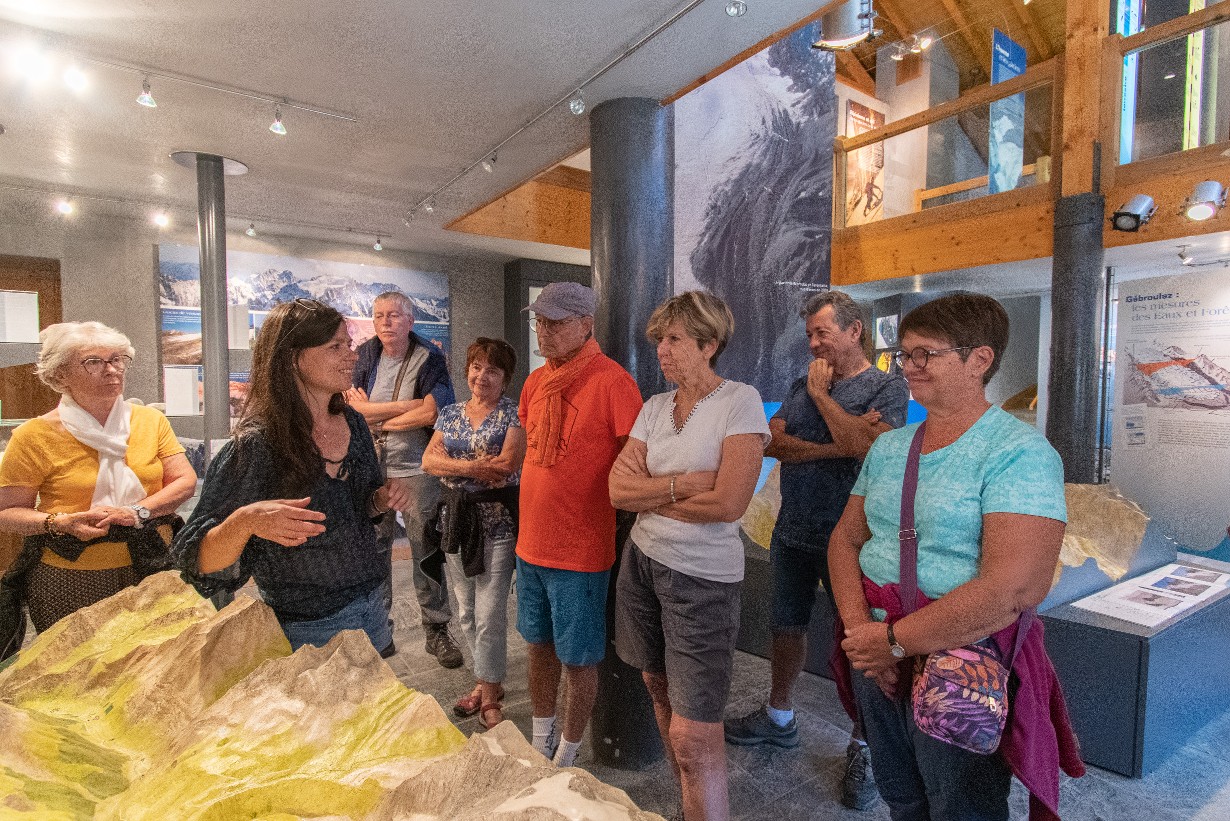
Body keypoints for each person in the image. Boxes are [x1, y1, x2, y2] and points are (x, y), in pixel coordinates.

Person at [828, 293, 1083, 821]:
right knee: (902, 795)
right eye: (905, 354)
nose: (910, 368)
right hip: (877, 648)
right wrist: (863, 637)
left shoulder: (1019, 452)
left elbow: (1011, 590)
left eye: (926, 354)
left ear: (980, 360)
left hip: (963, 659)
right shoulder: (888, 447)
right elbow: (845, 540)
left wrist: (894, 643)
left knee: (962, 805)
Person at [724, 291, 908, 810]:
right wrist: (835, 442)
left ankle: (865, 742)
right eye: (809, 333)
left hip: (852, 538)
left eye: (822, 331)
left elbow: (870, 447)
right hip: (794, 528)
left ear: (855, 331)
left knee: (861, 639)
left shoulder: (887, 387)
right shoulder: (798, 385)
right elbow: (771, 442)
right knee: (785, 625)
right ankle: (779, 716)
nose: (813, 341)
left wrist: (824, 401)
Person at [610, 291, 770, 821]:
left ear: (709, 344)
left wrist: (653, 491)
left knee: (694, 732)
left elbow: (729, 503)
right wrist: (686, 484)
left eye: (674, 339)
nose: (662, 349)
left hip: (702, 578)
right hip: (642, 565)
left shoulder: (739, 401)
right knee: (657, 688)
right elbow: (617, 492)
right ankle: (689, 807)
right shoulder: (655, 407)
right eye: (660, 339)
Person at [172, 299, 410, 653]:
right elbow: (196, 558)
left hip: (373, 605)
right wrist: (245, 521)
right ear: (293, 357)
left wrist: (380, 499)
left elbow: (361, 507)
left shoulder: (354, 423)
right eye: (335, 346)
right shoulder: (259, 445)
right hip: (306, 626)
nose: (352, 355)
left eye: (349, 344)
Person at [0, 322, 197, 658]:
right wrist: (58, 522)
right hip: (70, 575)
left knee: (158, 665)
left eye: (118, 359)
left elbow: (184, 481)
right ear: (60, 374)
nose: (112, 370)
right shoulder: (33, 436)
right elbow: (6, 514)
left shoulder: (149, 421)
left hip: (153, 564)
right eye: (94, 362)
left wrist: (137, 511)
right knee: (78, 669)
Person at [516, 281, 643, 767]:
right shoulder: (534, 381)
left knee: (580, 658)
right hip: (532, 545)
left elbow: (636, 460)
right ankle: (540, 737)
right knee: (537, 646)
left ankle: (568, 752)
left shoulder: (613, 382)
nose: (543, 331)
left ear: (585, 325)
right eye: (540, 322)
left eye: (555, 322)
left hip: (581, 550)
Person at [346, 291, 460, 668]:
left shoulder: (429, 357)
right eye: (379, 316)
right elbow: (351, 412)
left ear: (411, 320)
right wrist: (405, 407)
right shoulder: (363, 356)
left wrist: (376, 415)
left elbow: (432, 413)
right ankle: (380, 631)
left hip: (416, 472)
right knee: (373, 552)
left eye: (394, 315)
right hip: (371, 472)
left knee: (426, 551)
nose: (386, 322)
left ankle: (437, 630)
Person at [421, 337, 525, 731]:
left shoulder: (513, 414)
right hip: (456, 523)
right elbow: (429, 461)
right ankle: (485, 682)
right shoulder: (449, 414)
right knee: (465, 610)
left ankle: (490, 688)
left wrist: (456, 465)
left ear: (505, 377)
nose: (482, 376)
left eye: (493, 370)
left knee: (489, 611)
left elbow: (506, 465)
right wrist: (474, 469)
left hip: (498, 524)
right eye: (476, 367)